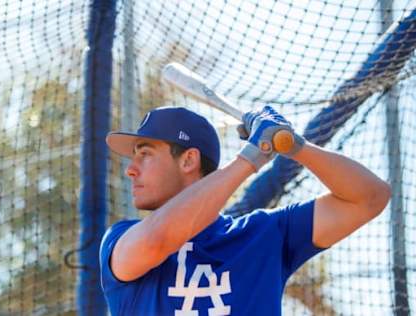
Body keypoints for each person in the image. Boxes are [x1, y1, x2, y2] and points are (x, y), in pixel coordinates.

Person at [100, 105, 390, 315]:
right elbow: (157, 241)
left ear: (188, 161)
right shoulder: (120, 238)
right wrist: (253, 155)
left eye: (145, 154)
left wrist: (295, 146)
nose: (131, 170)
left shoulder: (264, 234)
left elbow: (369, 197)